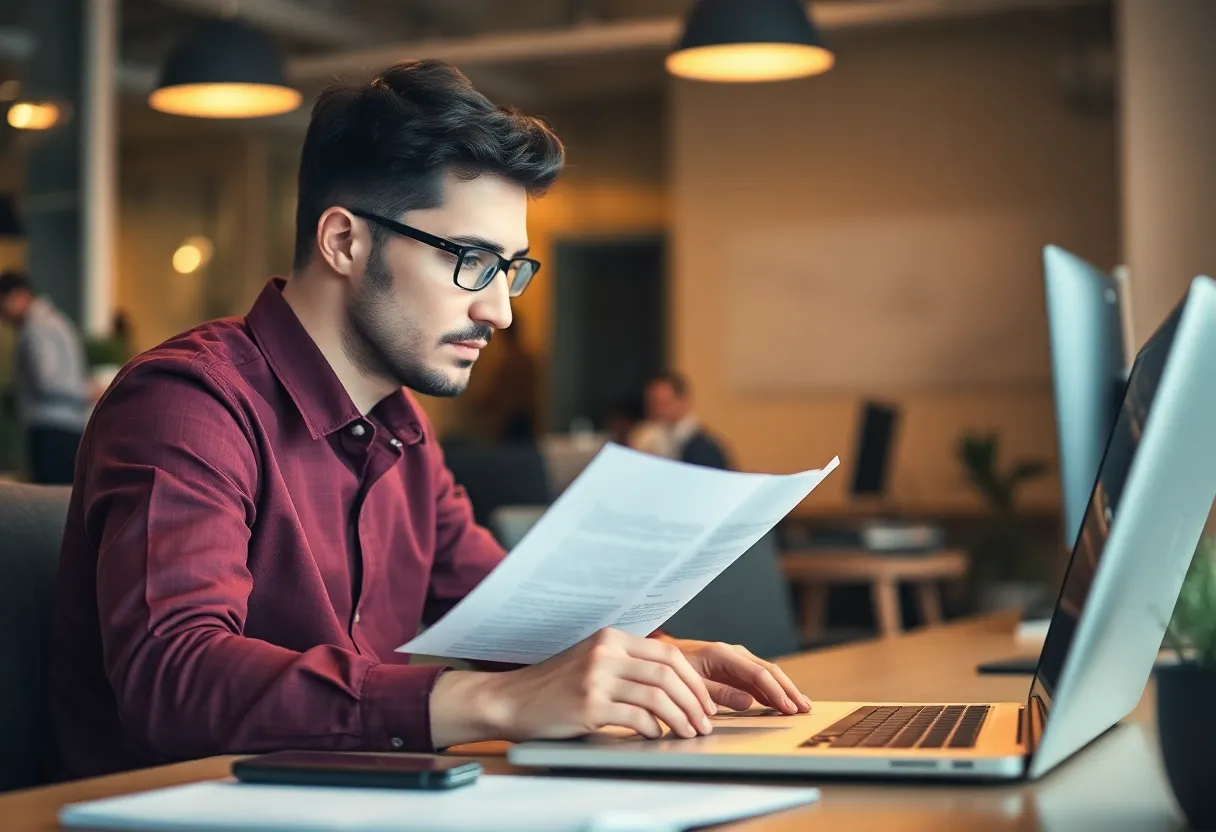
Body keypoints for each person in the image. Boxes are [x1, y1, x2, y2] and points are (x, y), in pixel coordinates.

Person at [50, 60, 809, 782]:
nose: (500, 310)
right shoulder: (190, 403)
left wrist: (648, 661)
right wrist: (493, 701)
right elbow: (172, 680)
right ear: (344, 240)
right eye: (470, 261)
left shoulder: (401, 429)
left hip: (354, 802)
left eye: (511, 269)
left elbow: (506, 618)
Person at [0, 270, 89, 484]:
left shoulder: (37, 327)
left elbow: (48, 382)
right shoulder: (53, 320)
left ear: (18, 296)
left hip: (51, 430)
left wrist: (87, 391)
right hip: (64, 427)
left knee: (48, 505)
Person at [632, 372, 732, 470]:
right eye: (653, 404)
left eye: (664, 403)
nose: (658, 410)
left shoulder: (704, 448)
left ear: (682, 401)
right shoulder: (651, 438)